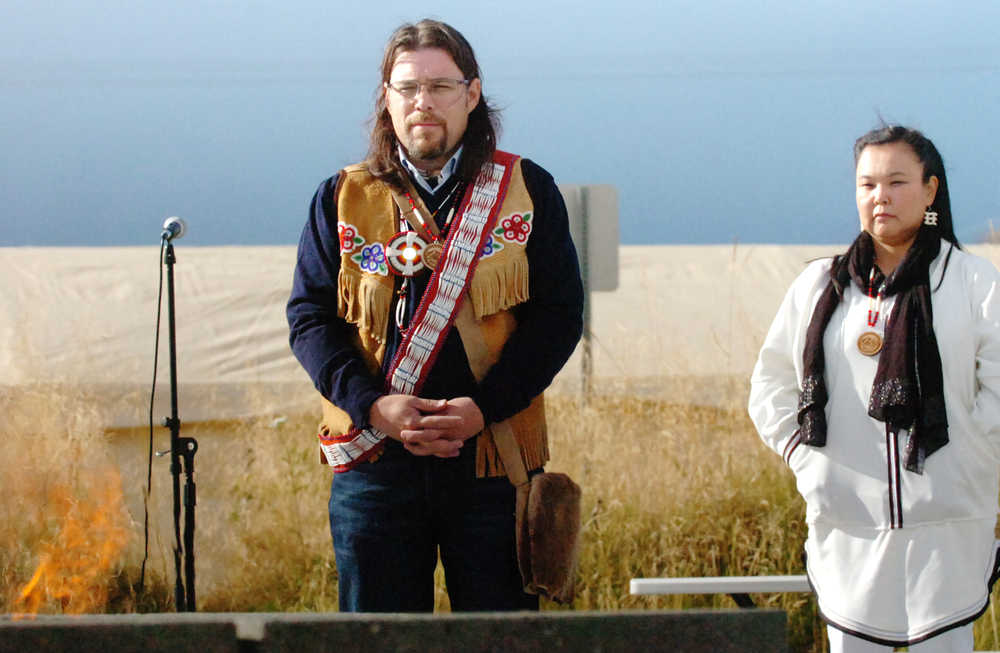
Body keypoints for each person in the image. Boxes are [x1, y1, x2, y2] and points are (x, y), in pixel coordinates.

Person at [286, 19, 583, 613]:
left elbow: (559, 317)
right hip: (375, 464)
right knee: (379, 641)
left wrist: (485, 407)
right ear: (386, 99)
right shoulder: (342, 196)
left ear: (472, 95)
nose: (423, 102)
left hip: (493, 461)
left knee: (500, 641)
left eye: (441, 87)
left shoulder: (526, 189)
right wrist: (373, 405)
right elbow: (310, 318)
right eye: (408, 88)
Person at [748, 125, 1000, 652]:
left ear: (931, 190)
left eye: (897, 181)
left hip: (947, 529)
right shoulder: (820, 287)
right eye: (867, 184)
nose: (880, 196)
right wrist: (805, 458)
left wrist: (971, 459)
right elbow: (771, 385)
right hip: (847, 527)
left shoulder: (976, 284)